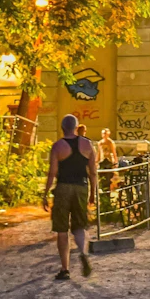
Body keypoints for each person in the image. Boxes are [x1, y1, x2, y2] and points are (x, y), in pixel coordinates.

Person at [44, 114, 95, 280]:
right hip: (81, 187)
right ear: (76, 127)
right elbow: (93, 172)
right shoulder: (88, 144)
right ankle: (83, 253)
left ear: (62, 128)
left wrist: (45, 193)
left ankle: (65, 269)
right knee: (80, 226)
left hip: (63, 188)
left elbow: (52, 172)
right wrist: (93, 193)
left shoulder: (58, 146)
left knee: (61, 229)